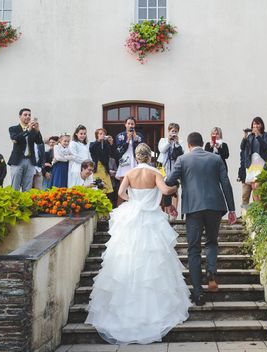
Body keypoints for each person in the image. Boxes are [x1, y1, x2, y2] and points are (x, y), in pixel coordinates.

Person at [85, 144, 189, 344]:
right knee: (153, 260)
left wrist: (135, 199)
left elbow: (122, 193)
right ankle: (153, 310)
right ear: (150, 157)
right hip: (151, 218)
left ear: (136, 157)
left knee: (127, 257)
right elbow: (166, 189)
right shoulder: (154, 172)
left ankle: (125, 309)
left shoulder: (130, 172)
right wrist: (176, 186)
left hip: (132, 216)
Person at [165, 132, 237, 306]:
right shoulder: (215, 159)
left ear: (189, 145)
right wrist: (232, 209)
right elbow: (225, 182)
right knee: (212, 242)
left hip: (193, 208)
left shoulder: (183, 160)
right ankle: (211, 272)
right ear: (202, 143)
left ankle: (198, 294)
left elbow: (169, 181)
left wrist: (169, 203)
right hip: (215, 206)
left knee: (194, 249)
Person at [8, 108, 44, 192]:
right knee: (15, 186)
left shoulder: (33, 129)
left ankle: (26, 204)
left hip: (30, 160)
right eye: (25, 115)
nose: (28, 117)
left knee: (28, 186)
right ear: (20, 116)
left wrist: (38, 131)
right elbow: (16, 138)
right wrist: (28, 130)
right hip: (17, 160)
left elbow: (39, 142)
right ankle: (14, 204)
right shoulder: (13, 128)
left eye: (29, 115)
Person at [239, 117, 267, 206]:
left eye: (257, 124)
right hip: (252, 164)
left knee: (258, 185)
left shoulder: (266, 135)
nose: (255, 126)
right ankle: (257, 207)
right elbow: (242, 147)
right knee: (253, 187)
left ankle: (262, 207)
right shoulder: (250, 136)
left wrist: (258, 136)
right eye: (254, 124)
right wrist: (245, 137)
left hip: (261, 163)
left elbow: (265, 146)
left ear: (261, 125)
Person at [157, 122, 184, 217]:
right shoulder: (163, 140)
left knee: (175, 190)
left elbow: (181, 154)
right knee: (164, 190)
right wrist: (169, 141)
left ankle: (174, 214)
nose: (174, 133)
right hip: (163, 168)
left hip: (174, 169)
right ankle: (165, 213)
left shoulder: (180, 142)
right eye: (172, 131)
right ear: (168, 131)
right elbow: (162, 150)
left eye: (176, 131)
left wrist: (176, 143)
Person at [90, 128, 115, 200]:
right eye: (100, 134)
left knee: (107, 189)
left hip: (105, 169)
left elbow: (110, 155)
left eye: (104, 134)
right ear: (97, 135)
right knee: (98, 188)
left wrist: (111, 144)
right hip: (97, 169)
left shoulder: (106, 145)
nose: (102, 135)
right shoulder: (93, 144)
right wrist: (99, 141)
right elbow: (92, 149)